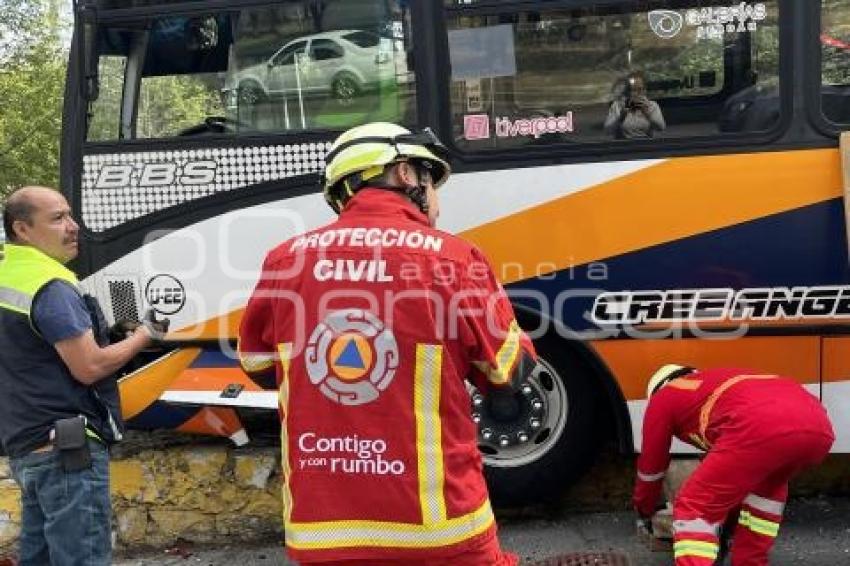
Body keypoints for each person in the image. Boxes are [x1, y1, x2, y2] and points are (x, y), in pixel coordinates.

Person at [238, 122, 537, 565]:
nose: (435, 197)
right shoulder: (453, 257)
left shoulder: (285, 261)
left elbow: (259, 365)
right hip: (442, 530)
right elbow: (509, 372)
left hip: (323, 533)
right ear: (404, 173)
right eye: (431, 178)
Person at [0, 186, 166, 566]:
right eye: (58, 218)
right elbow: (89, 367)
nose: (73, 227)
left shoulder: (8, 273)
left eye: (70, 215)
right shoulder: (50, 285)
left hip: (25, 445)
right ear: (22, 229)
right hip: (68, 450)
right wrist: (143, 336)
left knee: (39, 557)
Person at [633, 365, 834, 566]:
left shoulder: (665, 395)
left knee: (695, 504)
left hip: (759, 425)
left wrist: (644, 507)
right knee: (764, 498)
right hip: (818, 426)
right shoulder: (715, 382)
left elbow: (651, 467)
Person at [604, 72, 666, 139]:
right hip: (623, 146)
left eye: (639, 89)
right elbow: (608, 131)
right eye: (632, 90)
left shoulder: (652, 106)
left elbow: (661, 128)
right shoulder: (617, 106)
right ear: (627, 92)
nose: (636, 93)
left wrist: (647, 113)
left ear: (645, 90)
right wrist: (621, 116)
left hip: (646, 145)